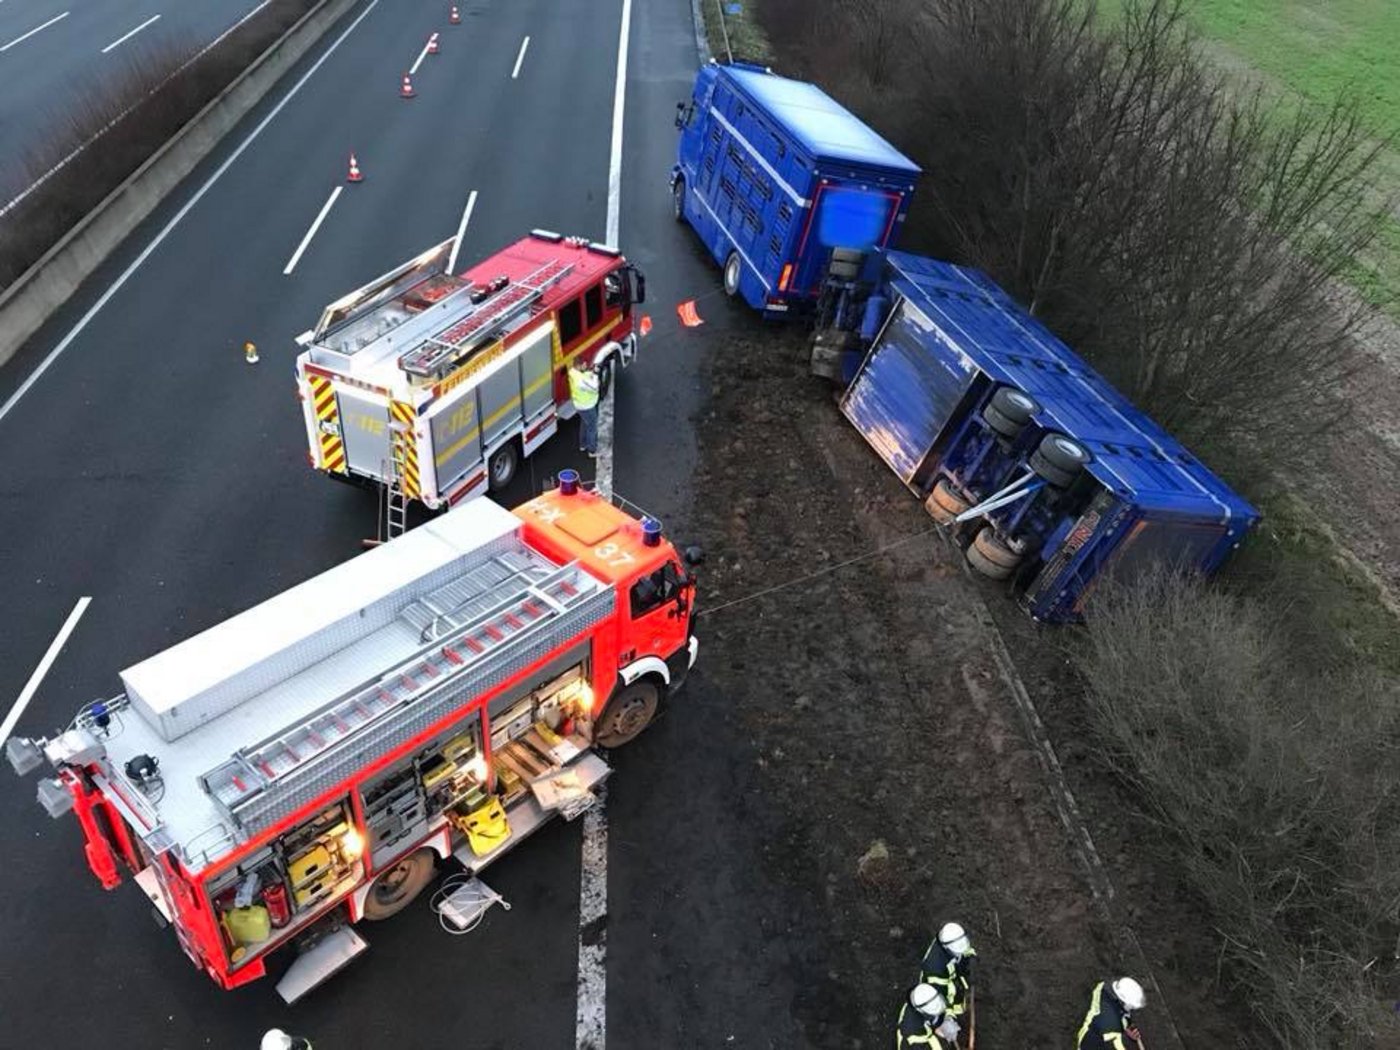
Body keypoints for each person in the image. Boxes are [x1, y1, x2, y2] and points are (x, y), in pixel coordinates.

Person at [921, 922, 975, 1020]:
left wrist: (971, 958)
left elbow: (964, 950)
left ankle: (960, 1009)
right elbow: (943, 994)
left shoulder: (953, 941)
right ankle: (957, 1014)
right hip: (939, 987)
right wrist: (949, 1015)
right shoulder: (936, 968)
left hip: (950, 975)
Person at [1076, 977, 1146, 1050]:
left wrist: (1125, 1026)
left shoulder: (1103, 988)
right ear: (1123, 1002)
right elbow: (1120, 1046)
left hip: (1093, 1025)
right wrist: (1126, 1039)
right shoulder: (1113, 1028)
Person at [896, 984, 961, 1048]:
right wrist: (935, 1030)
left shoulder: (929, 992)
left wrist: (948, 1018)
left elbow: (945, 1007)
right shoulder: (912, 1031)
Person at [567, 358, 601, 457]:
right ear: (579, 366)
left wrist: (589, 372)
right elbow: (594, 387)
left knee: (584, 424)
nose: (586, 366)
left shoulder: (572, 373)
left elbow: (583, 376)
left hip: (579, 405)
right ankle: (592, 450)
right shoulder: (581, 381)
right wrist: (594, 374)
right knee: (592, 427)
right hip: (587, 406)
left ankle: (583, 445)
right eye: (584, 365)